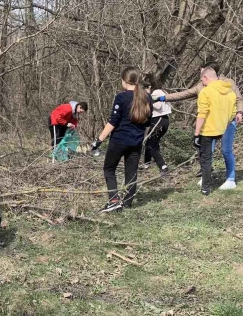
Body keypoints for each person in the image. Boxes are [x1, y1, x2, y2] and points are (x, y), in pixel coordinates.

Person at [160, 61, 242, 189]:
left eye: (201, 70)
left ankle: (230, 179)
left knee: (226, 150)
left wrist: (239, 112)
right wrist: (163, 98)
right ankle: (206, 176)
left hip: (228, 121)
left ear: (207, 71)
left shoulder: (228, 83)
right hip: (210, 124)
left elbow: (238, 98)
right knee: (207, 151)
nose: (200, 73)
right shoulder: (201, 86)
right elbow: (184, 94)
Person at [91, 67, 153, 212]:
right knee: (131, 172)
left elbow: (113, 122)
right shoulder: (147, 98)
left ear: (125, 81)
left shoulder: (121, 97)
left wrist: (99, 140)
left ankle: (113, 201)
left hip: (119, 140)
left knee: (109, 169)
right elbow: (147, 124)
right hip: (136, 142)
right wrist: (141, 139)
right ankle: (127, 203)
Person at [194, 68, 237, 196]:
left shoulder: (205, 92)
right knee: (226, 151)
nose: (202, 83)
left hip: (208, 130)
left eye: (202, 80)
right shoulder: (230, 91)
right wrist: (225, 122)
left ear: (206, 78)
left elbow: (202, 114)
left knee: (206, 158)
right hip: (224, 127)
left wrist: (196, 134)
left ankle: (206, 187)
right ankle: (228, 178)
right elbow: (233, 112)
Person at [140, 74, 171, 175]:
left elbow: (157, 105)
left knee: (150, 145)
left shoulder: (156, 92)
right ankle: (147, 163)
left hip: (158, 120)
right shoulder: (163, 91)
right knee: (152, 142)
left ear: (149, 86)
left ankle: (163, 166)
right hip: (164, 120)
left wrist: (147, 100)